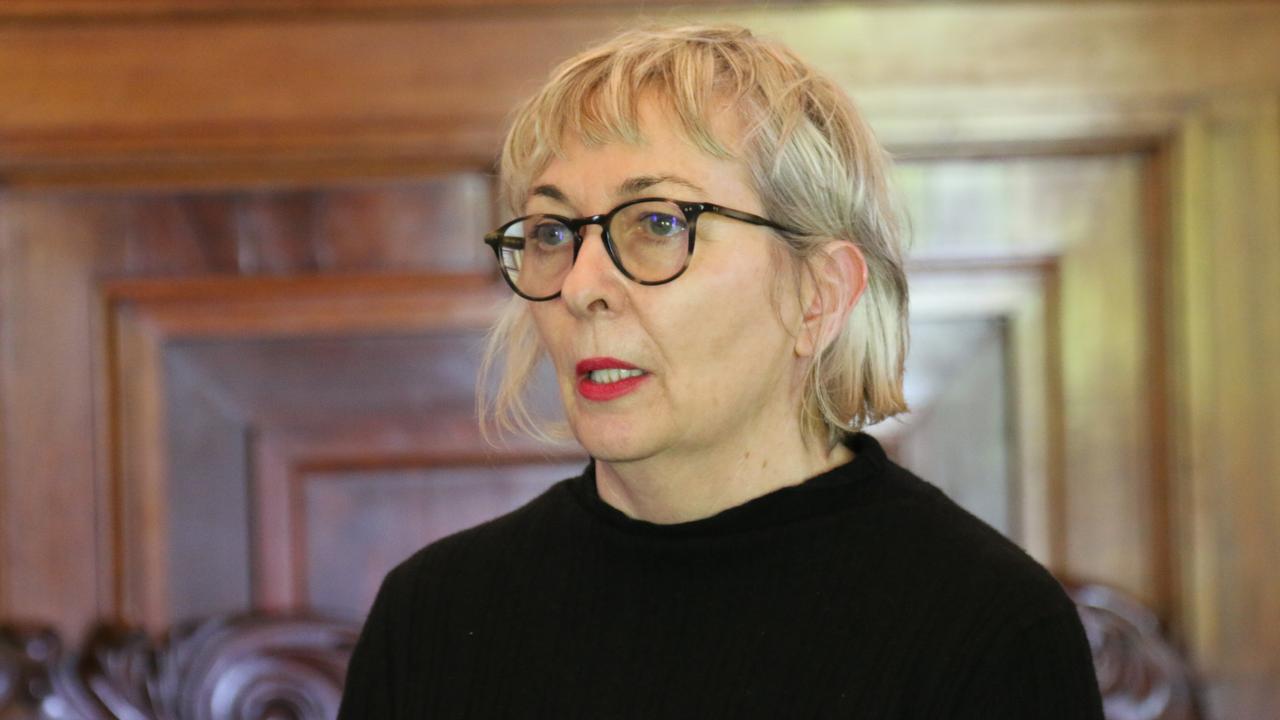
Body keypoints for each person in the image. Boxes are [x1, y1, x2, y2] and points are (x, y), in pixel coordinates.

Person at [338, 24, 1104, 719]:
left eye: (659, 224)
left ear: (818, 294)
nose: (581, 285)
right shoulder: (434, 614)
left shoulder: (986, 626)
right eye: (552, 231)